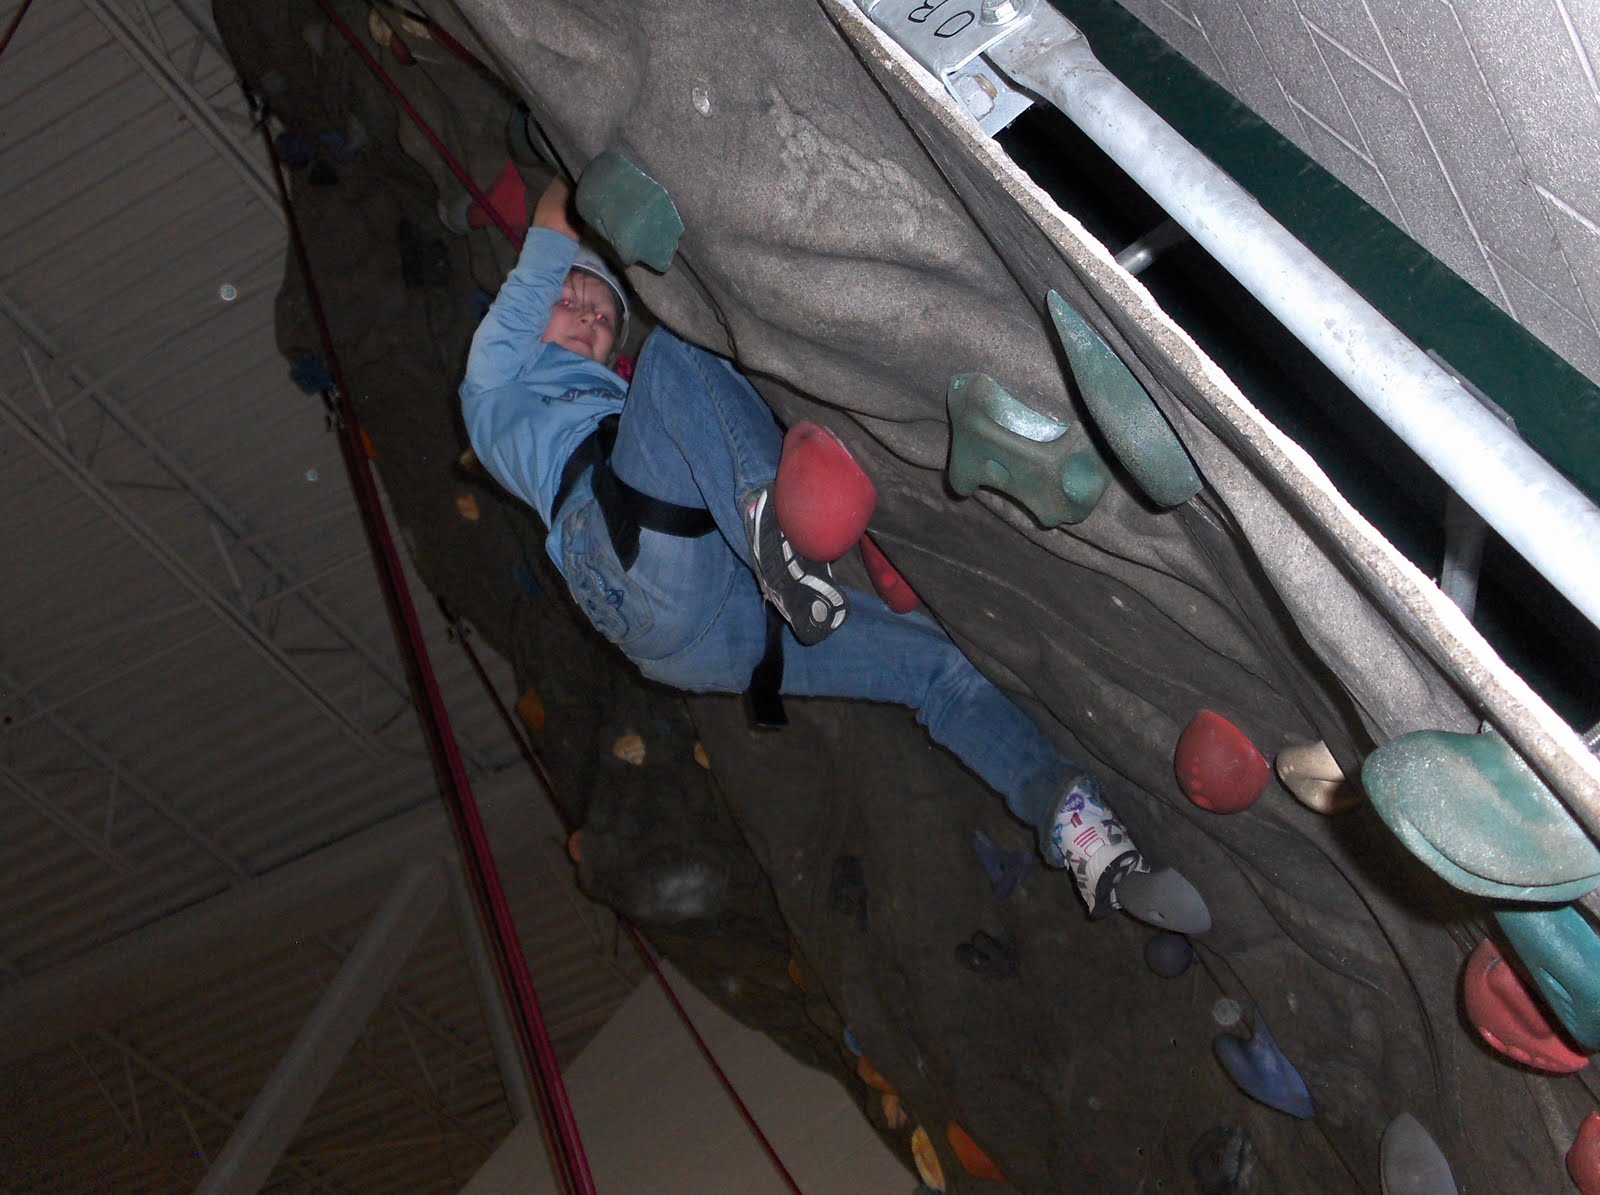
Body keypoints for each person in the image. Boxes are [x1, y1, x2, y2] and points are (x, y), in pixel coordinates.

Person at [460, 178, 1147, 917]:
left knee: (935, 667)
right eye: (571, 300)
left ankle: (1069, 818)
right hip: (622, 553)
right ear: (528, 314)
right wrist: (571, 164)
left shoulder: (630, 413)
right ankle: (779, 530)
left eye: (601, 316)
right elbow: (556, 221)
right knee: (680, 354)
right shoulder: (496, 379)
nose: (589, 316)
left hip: (703, 638)